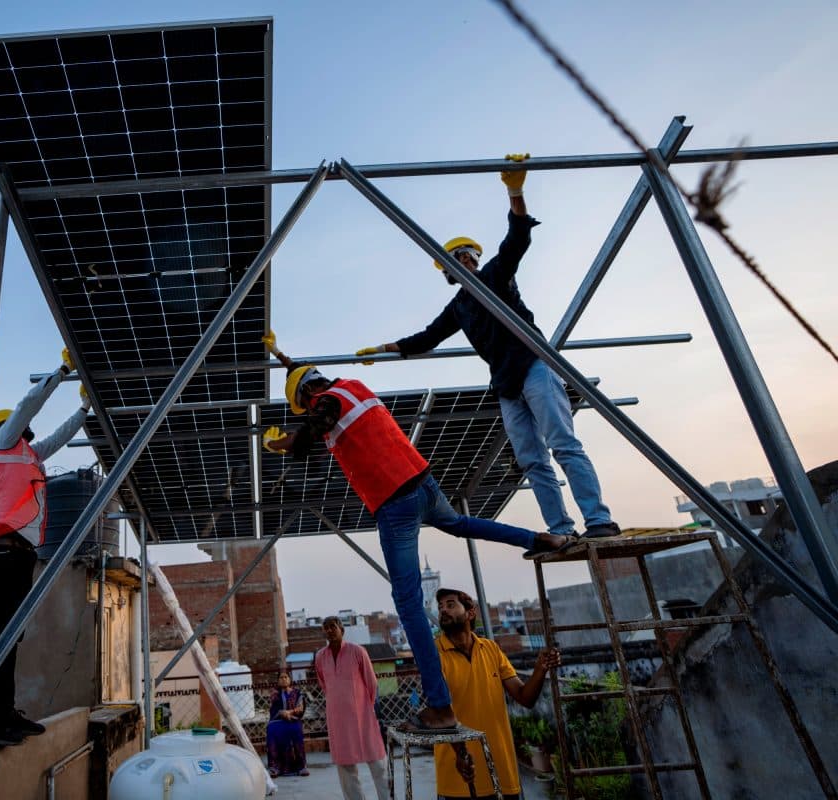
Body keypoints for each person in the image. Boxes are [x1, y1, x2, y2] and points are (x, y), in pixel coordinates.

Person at [262, 332, 570, 736]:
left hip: (395, 502)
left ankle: (441, 708)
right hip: (424, 483)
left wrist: (284, 442)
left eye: (301, 404)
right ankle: (538, 538)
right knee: (461, 524)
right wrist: (280, 354)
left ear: (306, 397)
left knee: (408, 604)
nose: (306, 409)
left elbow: (317, 421)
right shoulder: (353, 387)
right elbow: (308, 380)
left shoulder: (324, 404)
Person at [354, 153, 621, 541]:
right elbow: (426, 339)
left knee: (564, 445)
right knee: (531, 461)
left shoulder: (496, 276)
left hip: (534, 367)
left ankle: (599, 521)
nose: (462, 261)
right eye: (454, 260)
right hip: (506, 385)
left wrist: (515, 192)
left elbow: (517, 240)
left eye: (466, 256)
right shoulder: (459, 307)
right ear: (446, 272)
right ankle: (561, 531)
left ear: (476, 260)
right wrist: (383, 349)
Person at [0, 347, 90, 745]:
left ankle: (2, 713)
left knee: (10, 638)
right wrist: (60, 371)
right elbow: (28, 405)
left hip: (17, 555)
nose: (25, 430)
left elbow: (58, 437)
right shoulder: (2, 442)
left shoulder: (28, 455)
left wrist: (84, 412)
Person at [432, 588, 561, 800]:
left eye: (450, 604)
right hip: (459, 775)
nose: (443, 610)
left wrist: (540, 668)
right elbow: (438, 712)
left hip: (502, 773)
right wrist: (460, 753)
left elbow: (524, 697)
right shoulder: (434, 654)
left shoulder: (491, 649)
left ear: (470, 613)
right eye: (440, 607)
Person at [313, 617, 388, 800]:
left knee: (377, 761)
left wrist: (368, 708)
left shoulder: (357, 651)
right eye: (326, 628)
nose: (329, 631)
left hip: (363, 713)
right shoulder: (320, 656)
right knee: (345, 765)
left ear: (341, 629)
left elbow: (371, 682)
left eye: (333, 627)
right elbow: (324, 684)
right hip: (337, 717)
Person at [266, 671, 309, 778]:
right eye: (281, 677)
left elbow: (300, 708)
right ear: (278, 680)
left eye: (286, 677)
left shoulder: (297, 692)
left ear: (290, 679)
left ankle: (301, 766)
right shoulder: (274, 694)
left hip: (293, 719)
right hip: (278, 720)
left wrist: (289, 712)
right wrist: (282, 713)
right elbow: (274, 709)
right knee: (272, 730)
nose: (284, 679)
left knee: (295, 729)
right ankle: (275, 767)